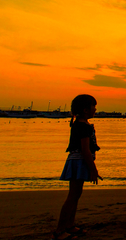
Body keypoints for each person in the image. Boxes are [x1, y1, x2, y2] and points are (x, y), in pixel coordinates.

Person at [52, 94, 101, 240]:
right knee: (72, 196)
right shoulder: (82, 126)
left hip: (79, 161)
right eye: (94, 107)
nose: (95, 109)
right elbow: (85, 150)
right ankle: (60, 230)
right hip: (78, 162)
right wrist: (93, 169)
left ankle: (69, 225)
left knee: (76, 195)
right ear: (86, 110)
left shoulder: (81, 124)